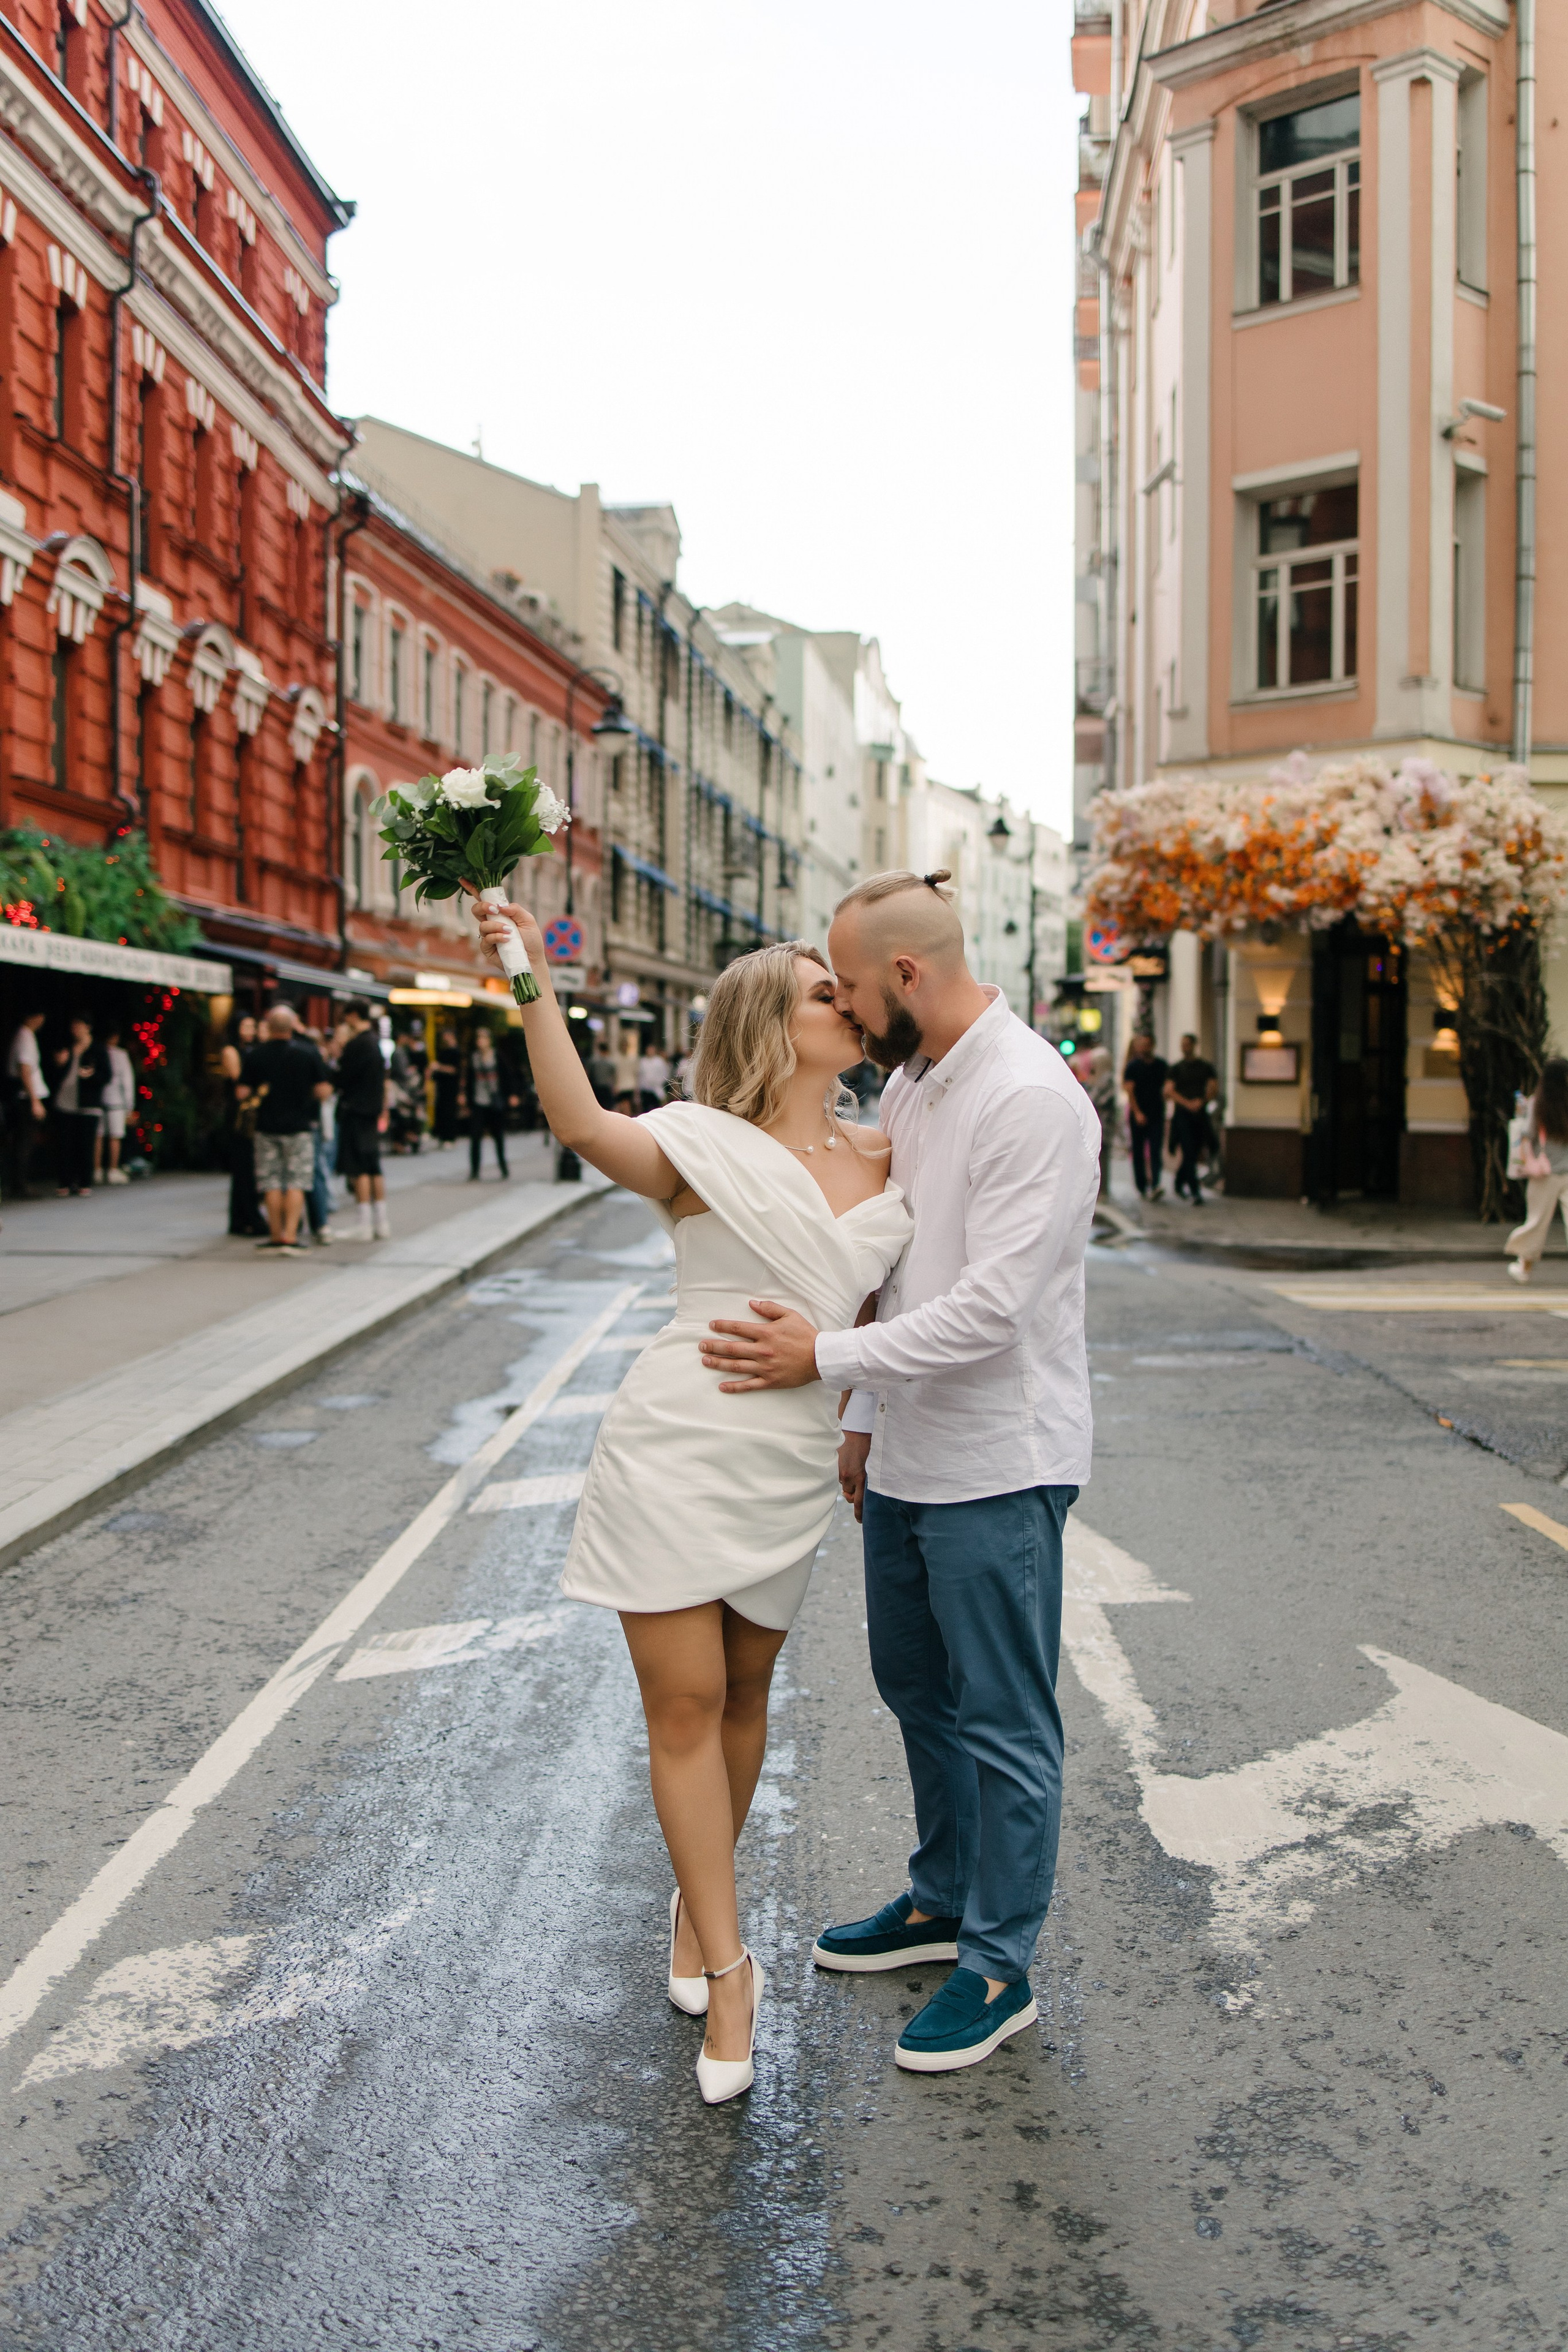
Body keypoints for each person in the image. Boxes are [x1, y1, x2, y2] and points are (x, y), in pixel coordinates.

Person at [472, 888, 910, 2106]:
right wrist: (522, 966)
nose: (849, 1001)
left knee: (746, 1696)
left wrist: (859, 1423)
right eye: (825, 990)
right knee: (686, 1705)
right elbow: (572, 1115)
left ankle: (691, 1897)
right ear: (772, 1021)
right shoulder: (694, 1147)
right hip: (675, 1442)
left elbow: (878, 1318)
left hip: (787, 1458)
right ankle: (730, 1967)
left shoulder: (890, 1154)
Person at [695, 869, 1100, 2078]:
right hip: (913, 1452)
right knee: (915, 1686)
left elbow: (987, 1309)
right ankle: (938, 1899)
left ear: (906, 976)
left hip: (998, 1460)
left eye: (853, 988)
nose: (850, 1012)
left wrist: (818, 1360)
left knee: (1002, 1715)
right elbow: (903, 1271)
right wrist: (861, 1409)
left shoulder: (1032, 1099)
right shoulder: (916, 1086)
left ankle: (996, 1964)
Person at [236, 1005, 332, 1254]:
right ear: (292, 1027)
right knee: (297, 1182)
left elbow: (242, 1092)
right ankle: (291, 1235)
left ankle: (275, 1234)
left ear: (268, 1026)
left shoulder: (256, 1055)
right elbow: (324, 1092)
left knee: (271, 1182)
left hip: (266, 1127)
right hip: (300, 1127)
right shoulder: (308, 1053)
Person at [1507, 1057, 1568, 1283]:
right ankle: (1523, 1268)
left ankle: (1524, 1269)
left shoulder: (1538, 1103)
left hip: (1544, 1172)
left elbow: (1527, 1136)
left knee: (1536, 1224)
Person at [334, 1003, 391, 1240]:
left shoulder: (357, 1044)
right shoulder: (375, 1043)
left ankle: (364, 1224)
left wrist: (338, 1053)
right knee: (373, 1166)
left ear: (353, 1016)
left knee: (359, 1169)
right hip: (371, 1110)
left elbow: (342, 1078)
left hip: (356, 1110)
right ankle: (381, 1222)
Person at [219, 1014, 269, 1238]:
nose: (250, 1031)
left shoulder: (251, 1050)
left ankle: (242, 1218)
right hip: (239, 1114)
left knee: (248, 1167)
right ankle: (246, 1217)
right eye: (246, 1026)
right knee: (243, 1166)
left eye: (253, 1026)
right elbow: (240, 1081)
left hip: (250, 1111)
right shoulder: (230, 1051)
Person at [52, 1015, 108, 1197]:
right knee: (65, 1143)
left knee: (85, 1143)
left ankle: (84, 1181)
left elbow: (106, 1075)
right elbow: (55, 1073)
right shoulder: (67, 1047)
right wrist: (60, 1064)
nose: (75, 1029)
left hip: (89, 1102)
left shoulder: (98, 1049)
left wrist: (91, 1076)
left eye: (79, 1025)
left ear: (88, 1027)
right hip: (66, 1099)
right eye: (73, 1025)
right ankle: (65, 1182)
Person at [1166, 1032, 1218, 1207]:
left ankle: (1180, 1181)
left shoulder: (1205, 1067)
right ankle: (1195, 1191)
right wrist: (1187, 1103)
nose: (1184, 1047)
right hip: (1182, 1116)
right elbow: (1169, 1091)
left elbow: (1213, 1087)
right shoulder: (1176, 1068)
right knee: (1188, 1150)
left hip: (1200, 1116)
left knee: (1194, 1152)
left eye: (1187, 1044)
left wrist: (1201, 1101)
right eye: (1183, 1044)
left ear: (1194, 1045)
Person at [5, 1009, 49, 1199]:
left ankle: (19, 1183)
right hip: (25, 1097)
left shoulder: (23, 1035)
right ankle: (20, 1185)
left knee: (21, 1141)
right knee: (25, 1142)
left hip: (22, 1096)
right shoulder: (26, 1037)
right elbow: (25, 1069)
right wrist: (34, 1100)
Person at [462, 1027, 516, 1179]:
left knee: (498, 1137)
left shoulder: (497, 1056)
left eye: (483, 1038)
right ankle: (475, 1171)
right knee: (475, 1137)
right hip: (479, 1102)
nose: (481, 1042)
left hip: (495, 1102)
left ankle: (503, 1168)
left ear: (489, 1041)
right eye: (478, 1039)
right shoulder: (474, 1058)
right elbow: (469, 1080)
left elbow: (507, 1076)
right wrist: (467, 1100)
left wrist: (512, 1094)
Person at [1122, 1029, 1169, 1200]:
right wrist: (1137, 1112)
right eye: (1141, 1045)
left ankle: (1156, 1184)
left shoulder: (1161, 1065)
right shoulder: (1133, 1067)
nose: (1144, 1048)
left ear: (1152, 1045)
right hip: (1138, 1115)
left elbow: (1168, 1086)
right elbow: (1129, 1091)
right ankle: (1141, 1185)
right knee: (1139, 1151)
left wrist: (1167, 1093)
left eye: (1147, 1045)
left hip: (1157, 1113)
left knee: (1156, 1150)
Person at [1072, 1042, 1117, 1198]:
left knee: (1102, 1155)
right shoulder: (1095, 1076)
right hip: (1096, 1122)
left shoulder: (1106, 1078)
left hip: (1104, 1123)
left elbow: (1098, 1099)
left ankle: (1102, 1188)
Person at [94, 1025, 135, 1184]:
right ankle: (112, 1169)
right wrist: (129, 1107)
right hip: (117, 1101)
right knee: (115, 1136)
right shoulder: (121, 1055)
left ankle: (97, 1170)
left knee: (98, 1136)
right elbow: (127, 1082)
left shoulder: (97, 1052)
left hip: (98, 1100)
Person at [431, 1028, 462, 1143]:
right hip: (442, 1086)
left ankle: (450, 1137)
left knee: (449, 1112)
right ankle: (442, 1136)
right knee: (442, 1111)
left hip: (451, 1088)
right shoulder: (443, 1051)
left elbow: (455, 1070)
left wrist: (439, 1067)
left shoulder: (456, 1052)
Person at [638, 1043, 671, 1114]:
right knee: (646, 1108)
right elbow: (640, 1075)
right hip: (646, 1088)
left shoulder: (659, 1061)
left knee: (656, 1108)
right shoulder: (643, 1061)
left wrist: (659, 1082)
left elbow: (664, 1074)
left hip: (656, 1088)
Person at [611, 1039, 640, 1115]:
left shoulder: (632, 1059)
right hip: (620, 1086)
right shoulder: (616, 1059)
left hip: (629, 1086)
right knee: (621, 1107)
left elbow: (635, 1074)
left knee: (626, 1106)